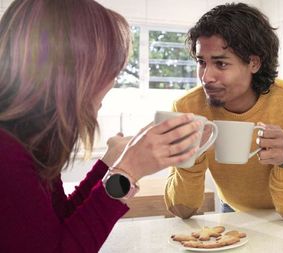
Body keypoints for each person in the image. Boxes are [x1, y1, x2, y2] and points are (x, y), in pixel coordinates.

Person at [0, 0, 202, 252]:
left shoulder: (27, 143)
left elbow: (61, 222)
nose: (111, 84)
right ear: (74, 72)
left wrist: (111, 166)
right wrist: (128, 171)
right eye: (110, 71)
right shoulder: (6, 154)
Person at [164, 3, 283, 221]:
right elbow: (182, 210)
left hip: (282, 216)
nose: (206, 77)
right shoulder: (187, 108)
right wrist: (189, 158)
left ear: (254, 63)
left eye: (221, 63)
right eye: (201, 62)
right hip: (231, 211)